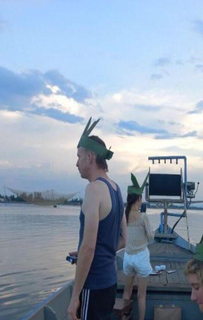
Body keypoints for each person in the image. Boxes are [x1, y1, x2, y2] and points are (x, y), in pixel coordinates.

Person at [67, 117, 128, 320]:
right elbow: (123, 239)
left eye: (79, 157)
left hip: (92, 285)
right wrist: (98, 252)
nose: (76, 163)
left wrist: (75, 297)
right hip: (110, 281)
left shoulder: (93, 190)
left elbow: (89, 248)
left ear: (90, 157)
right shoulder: (116, 189)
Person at [121, 173, 153, 320]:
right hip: (141, 257)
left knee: (126, 293)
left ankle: (124, 317)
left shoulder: (124, 215)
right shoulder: (143, 217)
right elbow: (151, 236)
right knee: (141, 295)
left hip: (127, 257)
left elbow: (122, 235)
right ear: (139, 199)